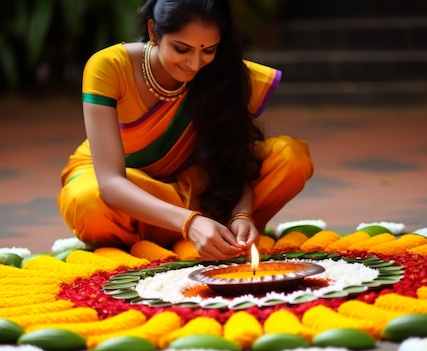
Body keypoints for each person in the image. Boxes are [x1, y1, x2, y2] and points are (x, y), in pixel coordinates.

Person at [57, 0, 313, 261]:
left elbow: (234, 163)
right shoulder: (109, 67)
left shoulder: (222, 73)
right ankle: (195, 230)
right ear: (154, 32)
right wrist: (191, 222)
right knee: (88, 201)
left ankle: (212, 233)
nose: (194, 63)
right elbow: (111, 184)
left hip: (197, 186)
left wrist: (242, 214)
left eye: (208, 50)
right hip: (128, 186)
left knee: (290, 158)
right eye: (182, 48)